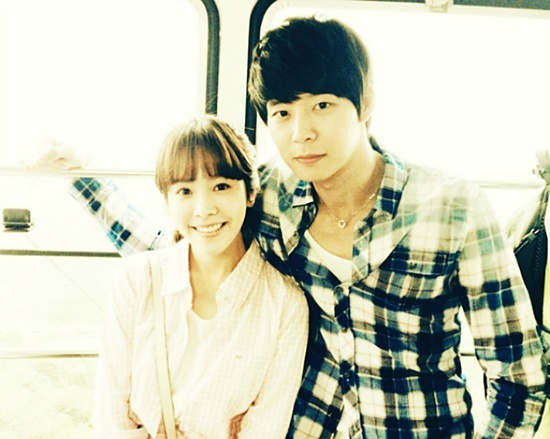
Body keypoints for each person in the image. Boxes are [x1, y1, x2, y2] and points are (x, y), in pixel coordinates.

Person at [27, 16, 547, 438]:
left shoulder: (452, 208)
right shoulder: (270, 196)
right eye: (282, 112)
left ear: (365, 104)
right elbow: (185, 245)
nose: (302, 133)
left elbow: (518, 378)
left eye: (322, 105)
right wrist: (83, 180)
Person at [92, 115, 309, 438]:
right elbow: (111, 413)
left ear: (250, 193)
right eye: (185, 191)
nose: (204, 209)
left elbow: (265, 429)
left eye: (221, 186)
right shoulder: (137, 281)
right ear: (167, 200)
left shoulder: (284, 305)